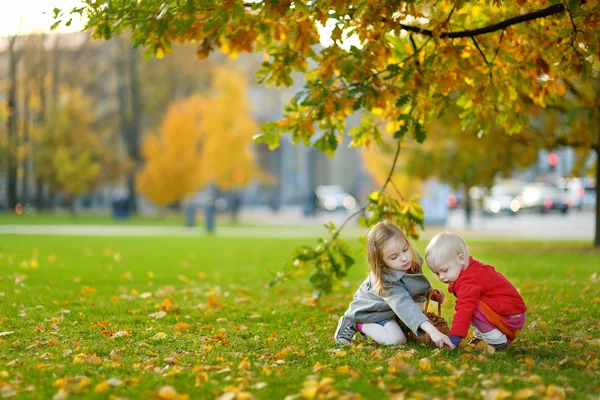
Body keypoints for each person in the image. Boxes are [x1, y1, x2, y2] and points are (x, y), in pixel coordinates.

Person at [334, 220, 454, 348]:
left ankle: (399, 327)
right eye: (394, 257)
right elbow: (405, 306)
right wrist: (433, 332)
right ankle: (355, 323)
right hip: (373, 311)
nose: (404, 258)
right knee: (396, 340)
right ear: (381, 262)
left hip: (390, 309)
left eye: (405, 249)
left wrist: (430, 292)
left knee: (418, 306)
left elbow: (415, 281)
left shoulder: (410, 259)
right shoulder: (386, 280)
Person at [425, 232, 527, 350]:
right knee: (472, 303)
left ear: (461, 259)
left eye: (444, 270)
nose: (441, 277)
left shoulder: (469, 280)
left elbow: (464, 310)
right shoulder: (470, 269)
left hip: (511, 317)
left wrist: (455, 338)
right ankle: (482, 337)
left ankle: (496, 341)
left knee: (470, 306)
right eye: (437, 273)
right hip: (509, 313)